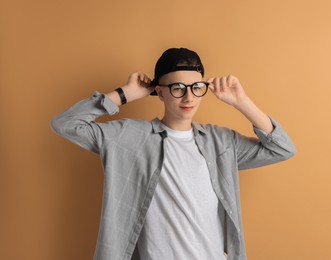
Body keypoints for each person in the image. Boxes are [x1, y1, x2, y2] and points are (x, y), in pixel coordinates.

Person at [51, 47, 296, 260]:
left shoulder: (220, 142)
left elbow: (282, 148)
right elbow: (66, 124)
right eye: (178, 88)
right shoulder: (129, 137)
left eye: (196, 87)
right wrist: (124, 94)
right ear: (160, 91)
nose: (189, 97)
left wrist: (241, 101)